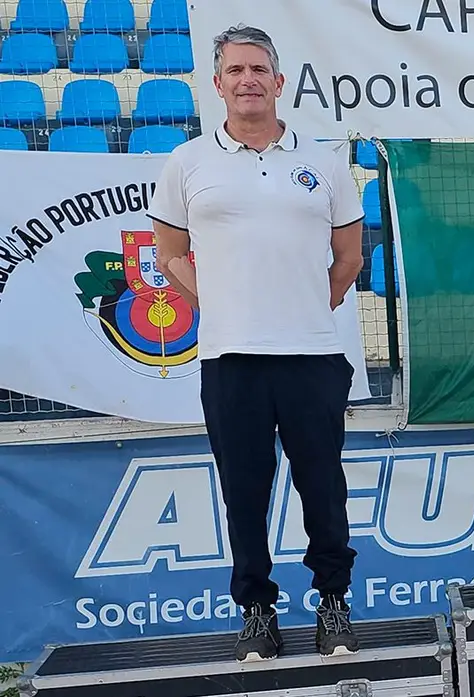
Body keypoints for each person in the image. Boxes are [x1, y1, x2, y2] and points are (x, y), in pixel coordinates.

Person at [147, 25, 365, 662]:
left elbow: (349, 258)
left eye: (258, 70)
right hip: (229, 359)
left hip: (312, 358)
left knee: (323, 488)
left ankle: (332, 604)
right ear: (218, 84)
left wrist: (300, 307)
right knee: (244, 491)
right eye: (235, 70)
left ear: (279, 81)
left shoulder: (322, 162)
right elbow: (167, 251)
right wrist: (217, 302)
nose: (248, 80)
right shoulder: (188, 162)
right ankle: (257, 611)